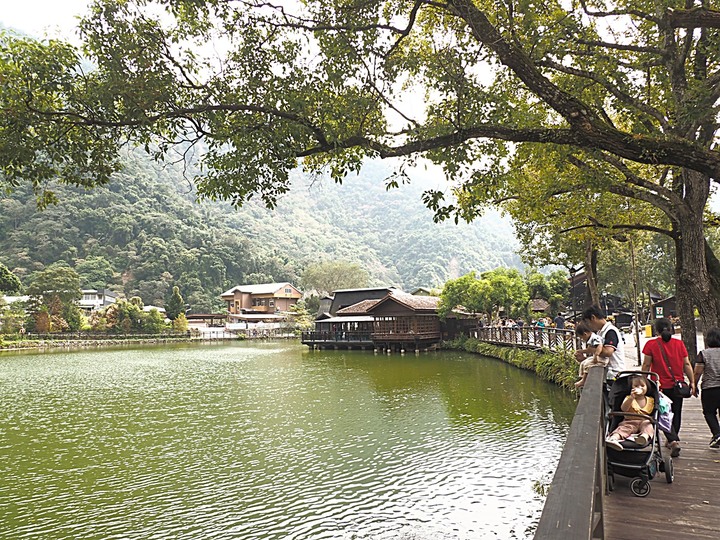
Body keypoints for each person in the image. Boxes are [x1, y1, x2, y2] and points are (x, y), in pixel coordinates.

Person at [641, 317, 695, 457]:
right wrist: (692, 382)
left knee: (663, 414)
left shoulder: (651, 344)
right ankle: (673, 438)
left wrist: (642, 382)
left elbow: (646, 365)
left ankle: (673, 439)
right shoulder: (679, 343)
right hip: (678, 385)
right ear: (670, 329)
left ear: (656, 330)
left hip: (659, 387)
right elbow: (687, 364)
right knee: (676, 412)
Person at [605, 375, 655, 451]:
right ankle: (613, 439)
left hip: (644, 421)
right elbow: (623, 408)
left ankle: (644, 437)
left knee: (648, 426)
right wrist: (631, 398)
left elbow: (652, 411)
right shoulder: (629, 398)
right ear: (631, 388)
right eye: (636, 386)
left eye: (642, 386)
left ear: (647, 387)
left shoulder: (650, 400)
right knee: (623, 429)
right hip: (629, 421)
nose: (639, 388)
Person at [577, 305, 625, 382]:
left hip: (614, 375)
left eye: (588, 323)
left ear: (593, 318)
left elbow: (608, 352)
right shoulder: (600, 332)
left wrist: (591, 350)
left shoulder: (610, 331)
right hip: (605, 374)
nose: (588, 326)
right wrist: (584, 359)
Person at [693, 326, 720, 448]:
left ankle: (717, 434)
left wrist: (694, 384)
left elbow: (698, 372)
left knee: (709, 412)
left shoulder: (703, 354)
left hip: (710, 388)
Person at [574, 321, 605, 389]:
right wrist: (581, 351)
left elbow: (600, 346)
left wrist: (596, 355)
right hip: (597, 356)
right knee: (583, 363)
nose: (582, 339)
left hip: (602, 358)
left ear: (585, 334)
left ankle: (584, 380)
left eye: (581, 338)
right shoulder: (591, 338)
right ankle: (582, 378)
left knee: (587, 364)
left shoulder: (594, 338)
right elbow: (589, 349)